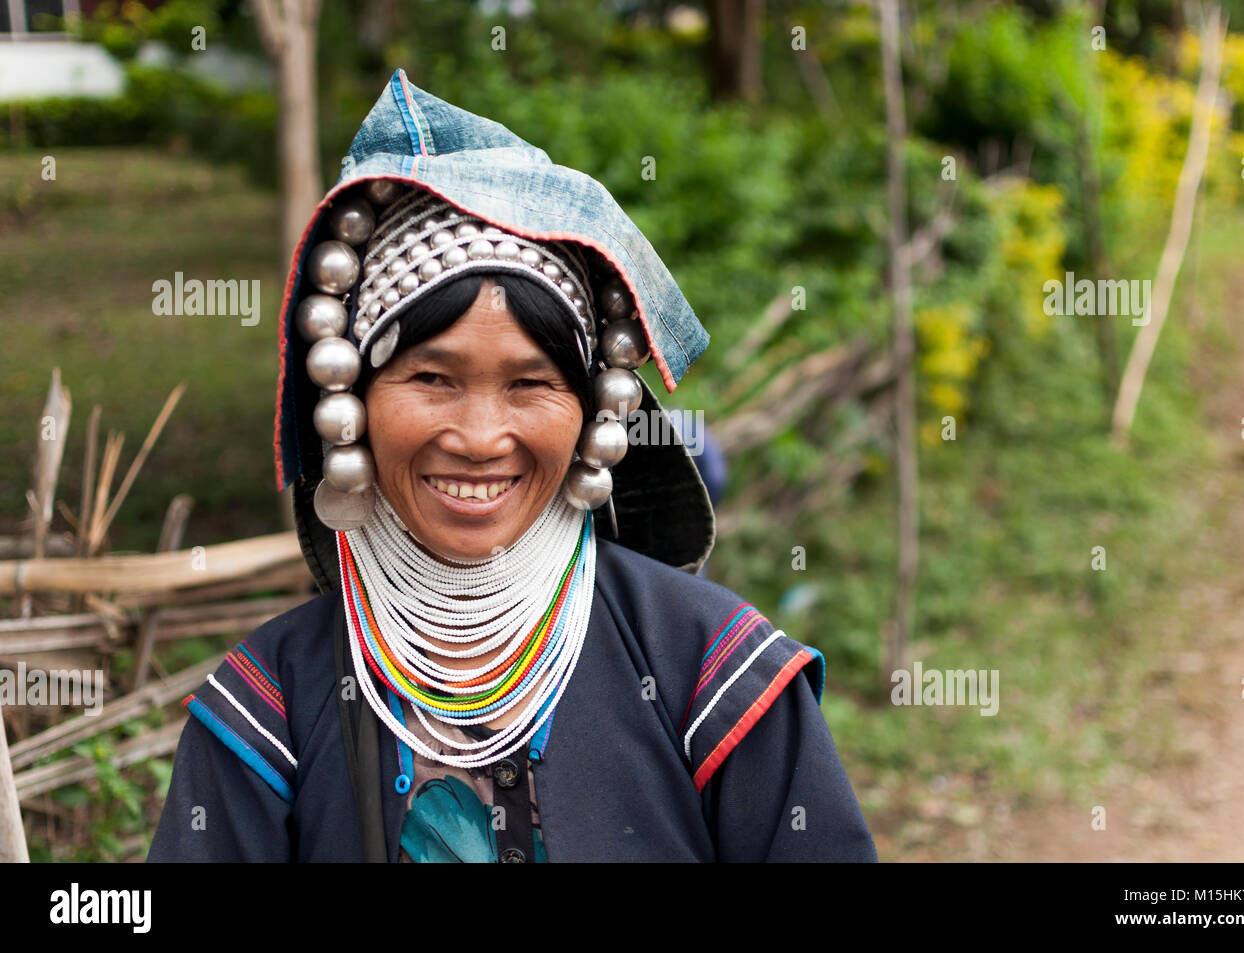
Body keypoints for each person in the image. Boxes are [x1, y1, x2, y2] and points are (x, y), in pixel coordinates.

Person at [147, 69, 877, 862]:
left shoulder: (707, 671)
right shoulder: (271, 706)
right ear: (349, 395)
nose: (481, 435)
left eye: (530, 383)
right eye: (431, 379)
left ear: (595, 407)